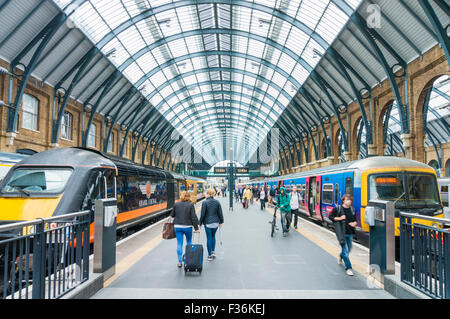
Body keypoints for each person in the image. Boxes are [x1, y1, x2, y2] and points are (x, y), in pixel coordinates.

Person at [328, 194, 358, 276]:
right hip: (341, 233)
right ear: (343, 200)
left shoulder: (352, 209)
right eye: (347, 200)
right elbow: (330, 217)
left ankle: (341, 256)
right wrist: (340, 218)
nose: (349, 201)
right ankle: (349, 268)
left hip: (350, 233)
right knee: (345, 251)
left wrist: (354, 223)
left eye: (350, 200)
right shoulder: (337, 209)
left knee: (348, 251)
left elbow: (355, 220)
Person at [170, 191, 200, 268]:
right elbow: (193, 217)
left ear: (181, 196)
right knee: (189, 242)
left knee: (179, 243)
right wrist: (196, 228)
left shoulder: (176, 204)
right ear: (189, 197)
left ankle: (179, 262)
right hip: (187, 227)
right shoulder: (190, 205)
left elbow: (172, 215)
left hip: (177, 226)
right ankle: (187, 260)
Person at [200, 189, 224, 261]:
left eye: (205, 193)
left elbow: (202, 214)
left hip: (207, 223)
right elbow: (220, 213)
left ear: (208, 194)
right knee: (213, 236)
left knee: (209, 238)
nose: (204, 194)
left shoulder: (205, 202)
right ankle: (213, 252)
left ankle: (209, 255)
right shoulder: (217, 202)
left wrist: (200, 223)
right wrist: (221, 222)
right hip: (216, 222)